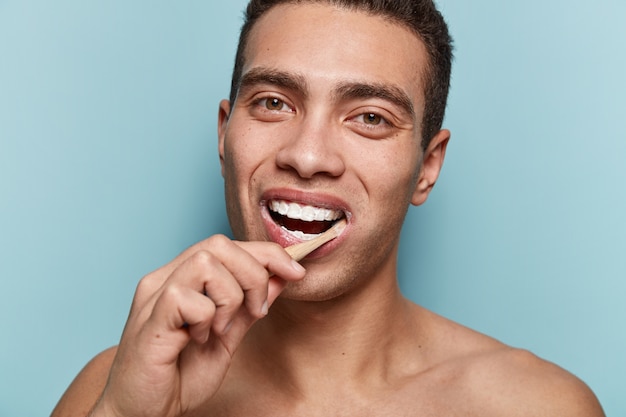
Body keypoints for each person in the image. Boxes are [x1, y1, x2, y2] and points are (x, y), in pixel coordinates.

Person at [52, 1, 605, 416]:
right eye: (273, 103)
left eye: (370, 117)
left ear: (428, 167)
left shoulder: (536, 406)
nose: (308, 156)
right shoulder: (112, 390)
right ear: (225, 136)